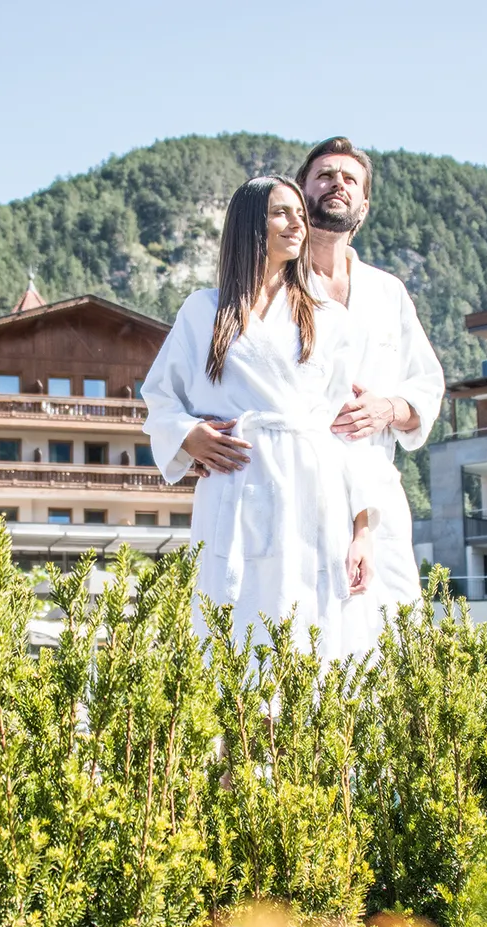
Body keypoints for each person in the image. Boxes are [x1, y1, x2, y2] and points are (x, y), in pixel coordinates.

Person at [141, 175, 384, 660]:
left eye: (300, 214)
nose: (297, 223)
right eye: (280, 213)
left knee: (312, 635)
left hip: (313, 490)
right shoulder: (204, 311)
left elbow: (347, 433)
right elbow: (160, 396)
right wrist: (189, 435)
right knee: (232, 632)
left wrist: (362, 533)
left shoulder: (329, 318)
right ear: (251, 223)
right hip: (235, 485)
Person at [296, 137, 446, 633]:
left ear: (363, 205)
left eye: (350, 179)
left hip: (377, 491)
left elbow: (427, 385)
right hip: (302, 484)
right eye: (324, 175)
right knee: (308, 634)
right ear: (299, 193)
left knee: (394, 633)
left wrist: (388, 408)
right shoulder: (274, 287)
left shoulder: (387, 292)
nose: (336, 184)